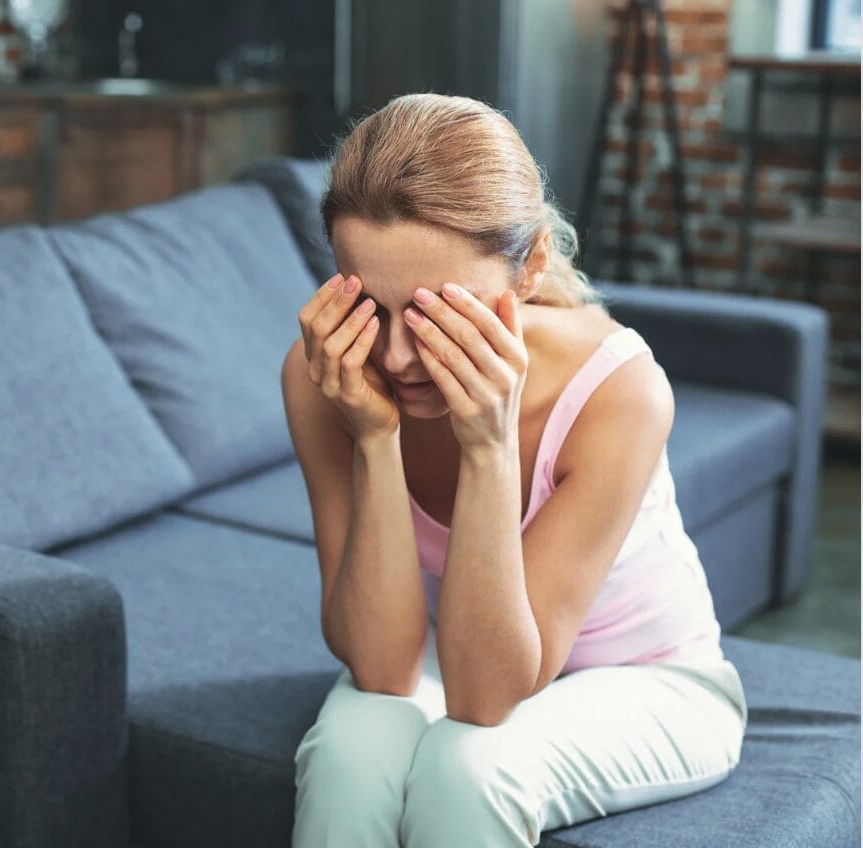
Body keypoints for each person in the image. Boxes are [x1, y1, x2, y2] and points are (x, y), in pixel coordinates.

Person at [280, 93, 748, 848]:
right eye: (371, 306)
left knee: (470, 767)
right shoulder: (325, 377)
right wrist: (373, 439)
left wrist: (489, 445)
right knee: (350, 749)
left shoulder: (617, 389)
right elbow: (382, 667)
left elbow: (485, 699)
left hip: (653, 681)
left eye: (436, 315)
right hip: (451, 647)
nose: (397, 358)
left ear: (529, 268)